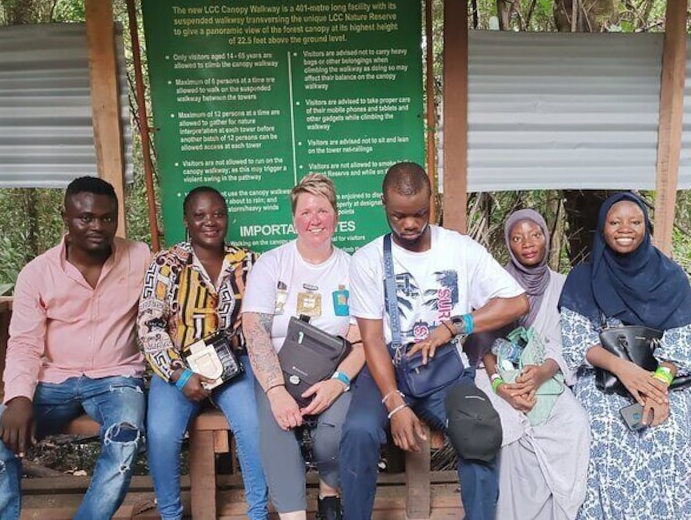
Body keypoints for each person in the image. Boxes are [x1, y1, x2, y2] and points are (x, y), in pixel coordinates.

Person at [340, 162, 529, 520]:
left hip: (444, 370)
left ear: (433, 203)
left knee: (479, 432)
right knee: (359, 432)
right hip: (388, 369)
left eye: (420, 213)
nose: (409, 224)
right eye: (399, 216)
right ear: (383, 204)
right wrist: (395, 405)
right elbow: (372, 340)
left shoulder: (460, 249)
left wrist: (457, 325)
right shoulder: (367, 261)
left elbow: (517, 301)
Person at [0, 176, 150, 520]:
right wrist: (19, 398)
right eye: (86, 217)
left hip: (117, 379)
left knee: (126, 435)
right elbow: (24, 342)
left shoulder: (139, 257)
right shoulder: (37, 274)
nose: (98, 226)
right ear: (66, 217)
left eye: (107, 218)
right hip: (52, 381)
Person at [559, 192, 691, 519]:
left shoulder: (672, 278)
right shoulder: (582, 279)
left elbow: (682, 346)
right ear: (603, 228)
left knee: (668, 435)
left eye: (635, 221)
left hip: (662, 380)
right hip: (605, 377)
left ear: (646, 226)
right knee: (605, 433)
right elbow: (577, 344)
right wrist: (624, 370)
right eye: (615, 222)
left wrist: (659, 384)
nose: (625, 228)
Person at [137, 186, 268, 520]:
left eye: (218, 214)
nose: (210, 222)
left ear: (227, 217)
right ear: (186, 220)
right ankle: (170, 514)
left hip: (232, 365)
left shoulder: (248, 261)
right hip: (179, 367)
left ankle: (257, 512)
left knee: (253, 425)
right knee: (163, 434)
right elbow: (149, 327)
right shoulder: (166, 264)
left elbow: (261, 318)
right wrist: (179, 376)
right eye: (200, 215)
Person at [242, 174, 365, 520]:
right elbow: (255, 331)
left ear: (336, 216)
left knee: (333, 435)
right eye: (306, 211)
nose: (315, 219)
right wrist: (276, 390)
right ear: (294, 218)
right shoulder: (272, 263)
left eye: (323, 211)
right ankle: (293, 515)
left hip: (334, 371)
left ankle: (330, 489)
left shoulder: (353, 268)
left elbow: (363, 341)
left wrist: (338, 382)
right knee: (277, 429)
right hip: (277, 371)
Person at [475, 209, 590, 520]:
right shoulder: (494, 283)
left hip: (546, 374)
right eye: (517, 237)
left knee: (574, 422)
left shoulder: (563, 285)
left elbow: (563, 343)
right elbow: (483, 348)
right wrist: (503, 387)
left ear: (546, 237)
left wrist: (540, 374)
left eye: (535, 234)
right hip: (496, 375)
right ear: (508, 244)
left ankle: (561, 510)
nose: (527, 243)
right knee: (512, 429)